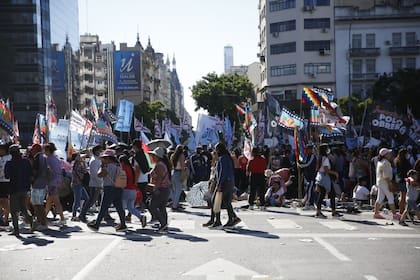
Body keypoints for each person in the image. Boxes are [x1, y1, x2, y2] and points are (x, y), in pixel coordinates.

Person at [87, 149, 127, 232]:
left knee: (103, 207)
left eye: (105, 158)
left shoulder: (108, 166)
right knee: (119, 207)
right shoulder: (118, 166)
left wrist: (102, 167)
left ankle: (97, 224)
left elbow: (99, 175)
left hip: (109, 188)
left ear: (109, 158)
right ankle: (123, 224)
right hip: (118, 188)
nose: (103, 160)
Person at [4, 144, 33, 236]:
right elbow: (30, 173)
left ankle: (16, 230)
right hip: (25, 188)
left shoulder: (9, 164)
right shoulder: (26, 162)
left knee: (13, 210)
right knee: (23, 207)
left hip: (14, 188)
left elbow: (7, 176)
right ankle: (31, 220)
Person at [210, 142, 241, 228]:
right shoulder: (227, 157)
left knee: (215, 201)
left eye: (216, 149)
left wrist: (219, 184)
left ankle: (218, 221)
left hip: (224, 182)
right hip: (229, 181)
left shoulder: (222, 158)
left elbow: (222, 173)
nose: (215, 151)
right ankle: (232, 218)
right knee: (227, 202)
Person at [147, 147, 172, 233]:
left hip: (161, 189)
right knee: (162, 208)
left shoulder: (159, 165)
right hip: (164, 189)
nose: (152, 157)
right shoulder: (161, 164)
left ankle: (163, 224)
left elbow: (160, 178)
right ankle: (164, 225)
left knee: (152, 206)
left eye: (154, 155)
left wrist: (155, 188)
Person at [373, 148, 401, 220]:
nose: (390, 154)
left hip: (379, 182)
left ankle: (376, 213)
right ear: (385, 155)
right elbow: (386, 176)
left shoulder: (380, 162)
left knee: (380, 198)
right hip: (385, 182)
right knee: (390, 197)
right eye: (389, 153)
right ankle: (394, 214)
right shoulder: (386, 163)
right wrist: (390, 184)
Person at [315, 144, 341, 218]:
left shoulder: (320, 158)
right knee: (332, 194)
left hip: (320, 177)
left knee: (322, 194)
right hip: (325, 178)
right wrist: (335, 173)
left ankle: (319, 211)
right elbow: (326, 169)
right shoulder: (325, 158)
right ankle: (333, 211)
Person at [119, 155, 146, 228]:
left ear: (122, 162)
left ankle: (122, 223)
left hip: (126, 190)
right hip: (133, 190)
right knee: (131, 208)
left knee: (122, 207)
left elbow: (122, 179)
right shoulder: (132, 169)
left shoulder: (124, 169)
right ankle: (141, 217)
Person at [79, 145, 103, 222]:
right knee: (91, 201)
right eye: (99, 151)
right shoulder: (94, 161)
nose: (100, 152)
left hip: (97, 183)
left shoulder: (97, 159)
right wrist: (100, 182)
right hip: (95, 183)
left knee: (94, 200)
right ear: (96, 151)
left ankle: (105, 215)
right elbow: (95, 174)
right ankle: (82, 214)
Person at [44, 142, 66, 226]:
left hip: (51, 182)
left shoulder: (48, 159)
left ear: (48, 150)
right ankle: (43, 217)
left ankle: (62, 218)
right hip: (56, 181)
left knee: (54, 201)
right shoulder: (56, 159)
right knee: (51, 200)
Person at [30, 144, 48, 230]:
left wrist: (31, 180)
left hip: (37, 184)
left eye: (32, 149)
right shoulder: (44, 157)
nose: (31, 151)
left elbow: (34, 172)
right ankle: (42, 221)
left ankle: (42, 222)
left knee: (37, 204)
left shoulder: (37, 158)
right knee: (39, 204)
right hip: (43, 183)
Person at [297, 144, 317, 210]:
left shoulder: (312, 156)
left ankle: (309, 204)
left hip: (312, 176)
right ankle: (310, 203)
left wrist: (300, 165)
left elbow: (307, 164)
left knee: (309, 190)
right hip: (308, 176)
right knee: (309, 190)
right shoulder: (308, 156)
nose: (307, 150)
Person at [70, 152, 90, 221]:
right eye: (79, 156)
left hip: (79, 184)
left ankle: (81, 214)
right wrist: (84, 163)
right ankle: (74, 216)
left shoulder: (77, 163)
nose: (80, 157)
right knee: (77, 201)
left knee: (86, 198)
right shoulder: (77, 164)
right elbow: (83, 173)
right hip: (77, 184)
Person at [394, 148, 411, 214]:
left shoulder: (398, 160)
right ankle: (402, 211)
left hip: (399, 179)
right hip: (404, 180)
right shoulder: (405, 161)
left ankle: (401, 211)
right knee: (404, 197)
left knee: (402, 196)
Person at [170, 145, 186, 211]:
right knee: (178, 190)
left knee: (174, 190)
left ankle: (175, 203)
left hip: (173, 172)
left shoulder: (173, 155)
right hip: (179, 172)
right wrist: (183, 175)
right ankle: (175, 205)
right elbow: (182, 166)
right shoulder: (181, 156)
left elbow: (171, 164)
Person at [0, 144, 11, 226]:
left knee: (5, 200)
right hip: (0, 181)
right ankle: (2, 218)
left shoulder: (9, 158)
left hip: (6, 182)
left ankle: (6, 219)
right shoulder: (0, 158)